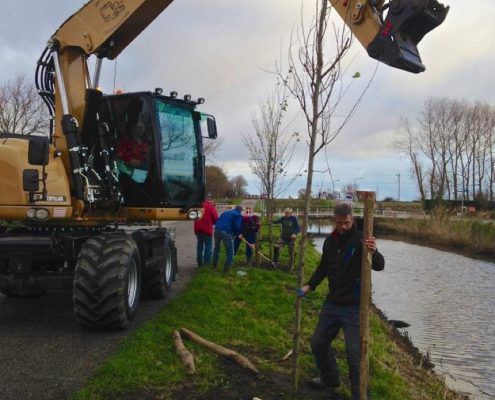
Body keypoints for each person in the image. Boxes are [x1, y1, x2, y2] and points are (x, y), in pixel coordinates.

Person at [298, 203, 385, 400]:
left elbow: (379, 266)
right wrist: (309, 286)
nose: (343, 227)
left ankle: (361, 395)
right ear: (334, 221)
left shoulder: (362, 239)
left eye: (346, 223)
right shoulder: (330, 241)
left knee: (355, 356)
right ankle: (330, 378)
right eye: (339, 223)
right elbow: (323, 267)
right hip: (333, 303)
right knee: (318, 343)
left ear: (352, 220)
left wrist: (374, 251)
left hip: (354, 308)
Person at [116, 123, 150, 206]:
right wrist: (129, 160)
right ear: (133, 128)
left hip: (144, 172)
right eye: (139, 127)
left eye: (143, 128)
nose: (142, 130)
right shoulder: (125, 141)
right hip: (128, 173)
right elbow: (118, 155)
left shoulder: (146, 143)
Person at [212, 205, 243, 273]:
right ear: (240, 211)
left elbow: (218, 221)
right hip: (226, 232)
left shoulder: (225, 213)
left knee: (216, 248)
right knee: (230, 252)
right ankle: (226, 270)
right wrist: (236, 234)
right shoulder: (238, 215)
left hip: (217, 230)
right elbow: (237, 226)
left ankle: (214, 266)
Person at [194, 198, 218, 267]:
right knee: (208, 246)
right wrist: (212, 223)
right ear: (211, 201)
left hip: (198, 229)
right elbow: (215, 218)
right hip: (207, 229)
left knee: (199, 246)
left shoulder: (197, 205)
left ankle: (199, 263)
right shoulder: (211, 206)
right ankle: (206, 264)